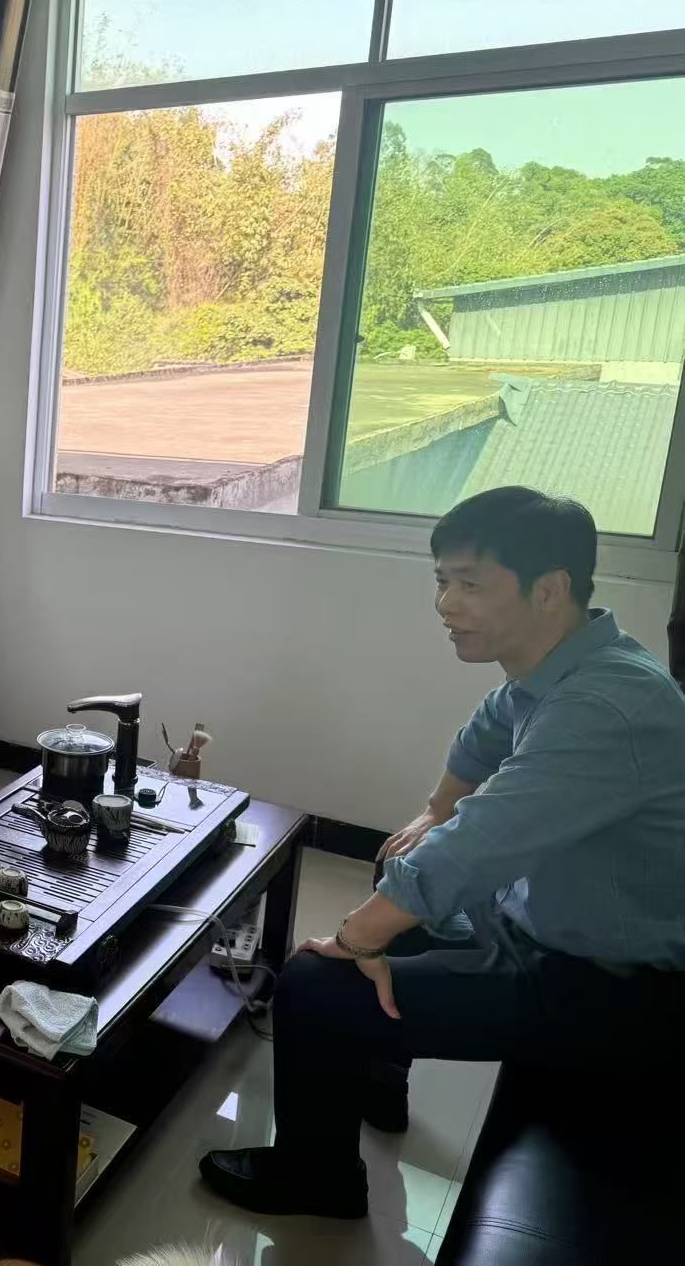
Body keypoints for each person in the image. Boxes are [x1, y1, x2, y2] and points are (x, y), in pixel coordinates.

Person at [199, 487, 685, 1218]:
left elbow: (481, 841)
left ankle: (316, 1177)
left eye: (470, 584)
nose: (445, 604)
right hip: (544, 927)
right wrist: (433, 811)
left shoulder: (607, 707)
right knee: (400, 863)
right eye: (441, 581)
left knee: (313, 982)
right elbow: (484, 735)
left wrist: (352, 937)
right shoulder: (566, 666)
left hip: (608, 989)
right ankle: (378, 1076)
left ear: (548, 589)